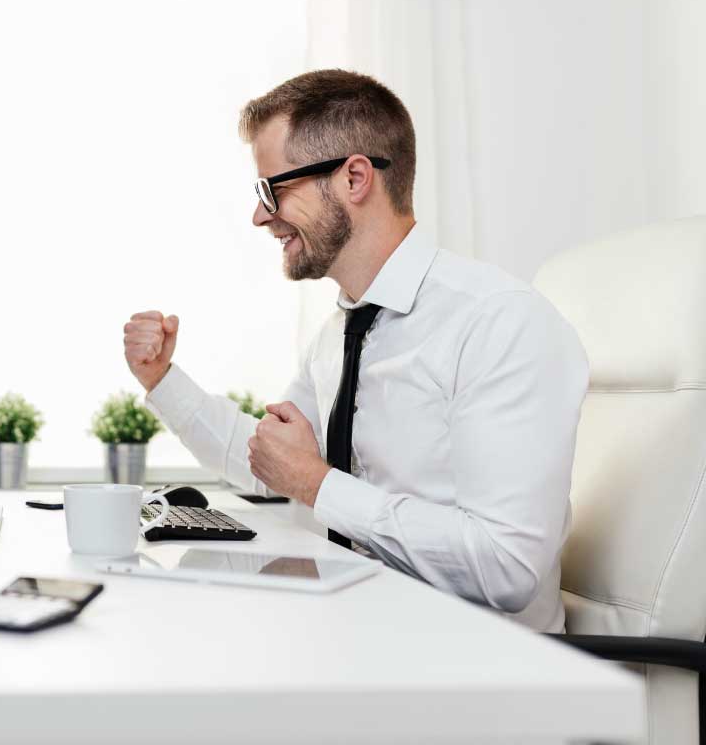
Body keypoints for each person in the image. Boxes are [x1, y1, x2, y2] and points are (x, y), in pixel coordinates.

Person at [123, 69, 588, 633]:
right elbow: (269, 465)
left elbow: (507, 569)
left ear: (355, 178)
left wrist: (318, 484)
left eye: (273, 189)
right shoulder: (344, 330)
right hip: (367, 634)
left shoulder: (498, 323)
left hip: (480, 671)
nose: (260, 215)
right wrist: (161, 380)